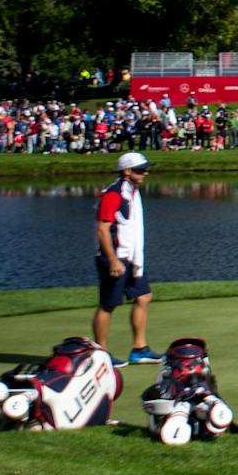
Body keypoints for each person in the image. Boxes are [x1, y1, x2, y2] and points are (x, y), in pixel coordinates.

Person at [93, 151, 156, 364]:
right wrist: (112, 260)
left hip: (133, 256)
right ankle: (101, 354)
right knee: (108, 304)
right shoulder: (113, 194)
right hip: (115, 256)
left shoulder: (132, 191)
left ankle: (140, 349)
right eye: (141, 169)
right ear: (127, 171)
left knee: (143, 296)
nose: (145, 172)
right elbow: (102, 230)